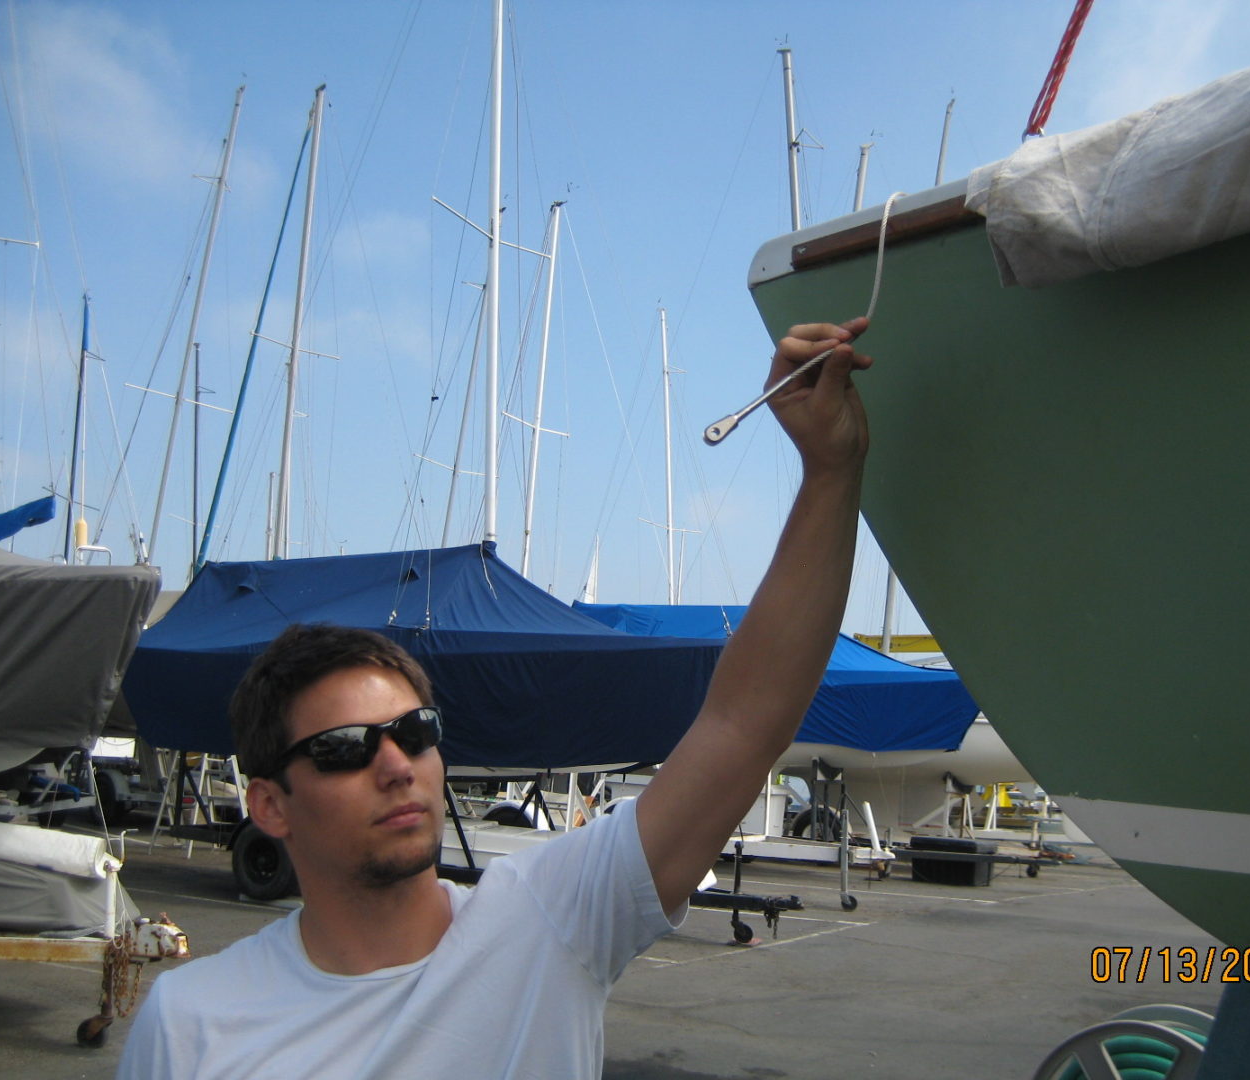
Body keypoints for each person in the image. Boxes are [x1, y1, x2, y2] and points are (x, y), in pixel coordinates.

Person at [115, 317, 873, 1079]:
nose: (396, 764)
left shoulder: (549, 921)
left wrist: (831, 471)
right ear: (269, 804)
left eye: (414, 732)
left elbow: (743, 724)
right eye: (343, 749)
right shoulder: (193, 1024)